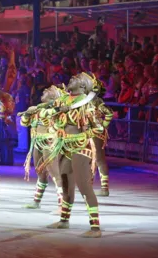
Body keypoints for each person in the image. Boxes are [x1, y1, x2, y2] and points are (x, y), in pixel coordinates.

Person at [42, 73, 103, 238]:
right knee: (65, 182)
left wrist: (81, 136)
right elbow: (50, 117)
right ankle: (64, 220)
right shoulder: (63, 101)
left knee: (83, 186)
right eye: (72, 77)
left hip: (80, 148)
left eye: (76, 79)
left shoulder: (87, 105)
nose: (72, 78)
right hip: (64, 147)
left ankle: (95, 227)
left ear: (83, 87)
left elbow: (99, 128)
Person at [19, 85, 65, 214]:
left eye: (48, 90)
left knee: (55, 173)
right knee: (40, 173)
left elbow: (59, 125)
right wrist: (28, 114)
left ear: (53, 97)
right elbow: (23, 123)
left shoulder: (56, 111)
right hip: (37, 142)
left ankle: (62, 206)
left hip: (50, 143)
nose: (45, 90)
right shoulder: (37, 109)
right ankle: (36, 201)